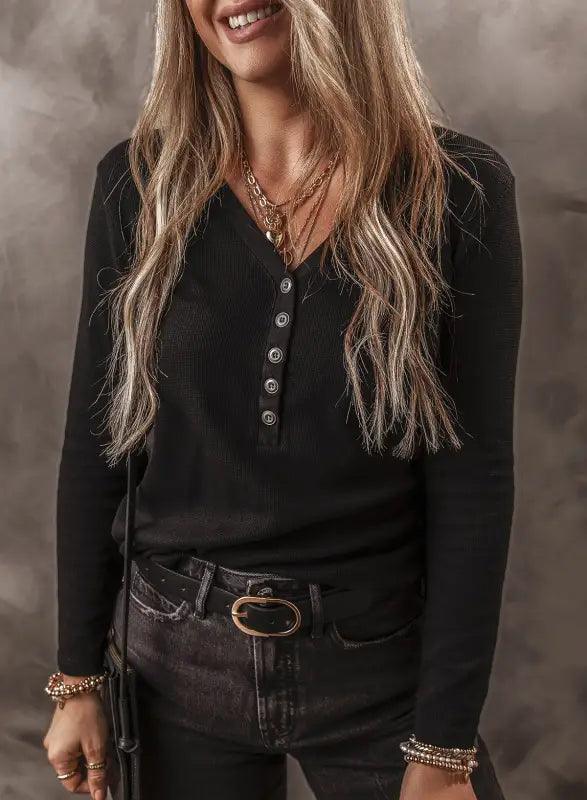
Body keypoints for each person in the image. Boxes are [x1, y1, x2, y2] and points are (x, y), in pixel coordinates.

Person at [42, 1, 524, 799]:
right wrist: (78, 678)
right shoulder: (138, 184)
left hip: (379, 671)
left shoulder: (455, 190)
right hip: (173, 669)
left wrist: (443, 748)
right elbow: (97, 448)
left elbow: (474, 482)